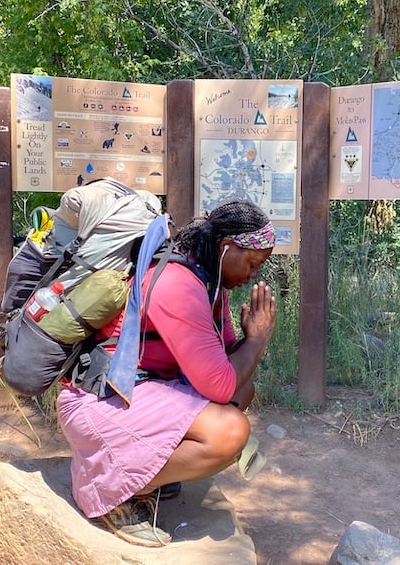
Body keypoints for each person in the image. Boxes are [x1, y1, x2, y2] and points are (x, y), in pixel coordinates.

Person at [57, 200, 277, 547]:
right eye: (251, 263)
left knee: (243, 392)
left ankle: (147, 472)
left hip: (139, 390)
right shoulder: (178, 284)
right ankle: (117, 491)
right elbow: (219, 387)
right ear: (226, 248)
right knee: (229, 432)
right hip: (99, 401)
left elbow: (226, 370)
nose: (253, 275)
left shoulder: (208, 281)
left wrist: (249, 341)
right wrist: (259, 339)